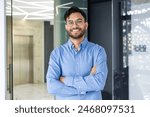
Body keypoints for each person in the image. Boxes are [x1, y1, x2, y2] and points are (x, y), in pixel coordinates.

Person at [46, 6, 108, 100]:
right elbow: (52, 86)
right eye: (70, 22)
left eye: (79, 21)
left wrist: (65, 80)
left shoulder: (98, 51)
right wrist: (83, 88)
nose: (75, 26)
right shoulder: (57, 53)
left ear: (86, 25)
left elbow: (99, 83)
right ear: (66, 27)